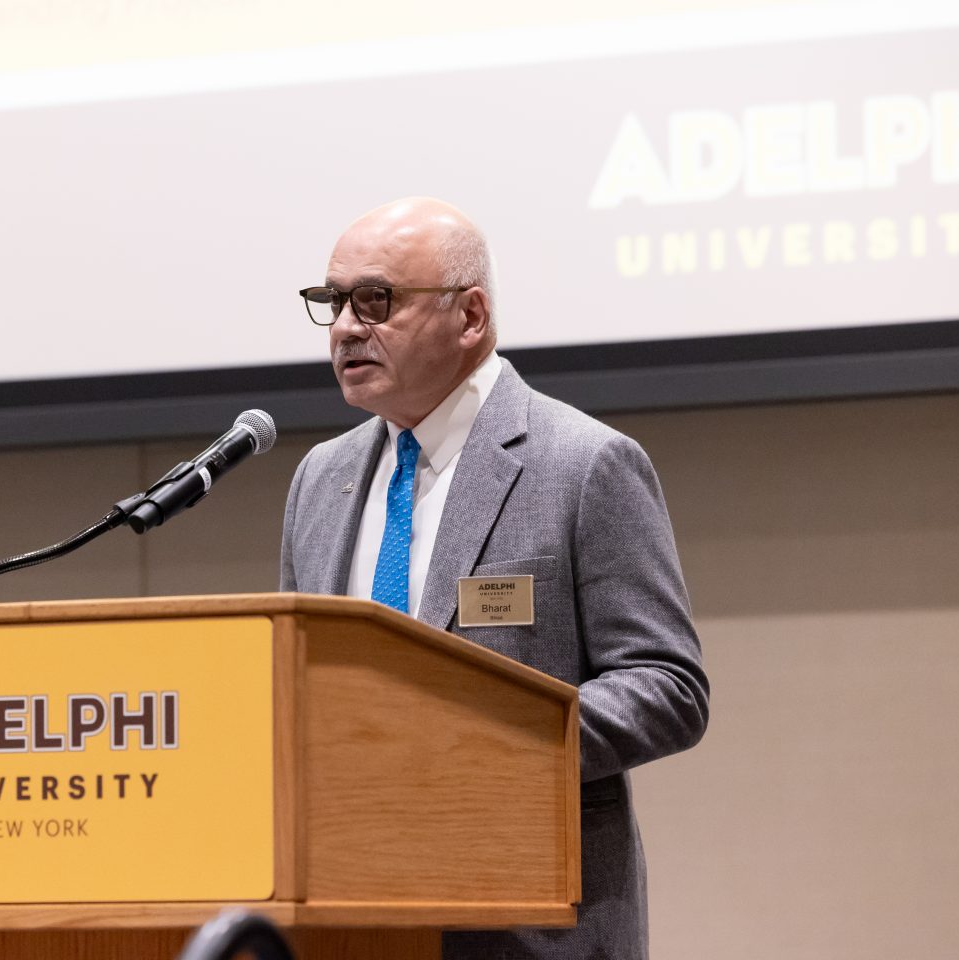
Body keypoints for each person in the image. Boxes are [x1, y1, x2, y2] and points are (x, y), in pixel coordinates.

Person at [279, 197, 710, 960]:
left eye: (376, 300)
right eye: (333, 302)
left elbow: (666, 687)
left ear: (470, 316)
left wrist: (475, 748)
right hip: (352, 915)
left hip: (530, 929)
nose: (346, 327)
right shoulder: (324, 478)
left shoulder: (583, 465)